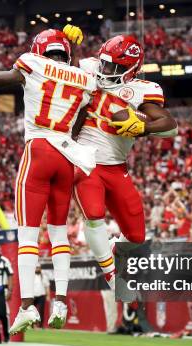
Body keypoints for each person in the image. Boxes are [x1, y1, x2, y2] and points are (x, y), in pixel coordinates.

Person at [0, 25, 96, 333]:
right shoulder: (85, 77)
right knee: (59, 234)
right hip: (66, 154)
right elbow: (79, 116)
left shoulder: (32, 63)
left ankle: (27, 307)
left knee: (27, 236)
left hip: (38, 150)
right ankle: (61, 300)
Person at [63, 28, 178, 290]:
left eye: (113, 66)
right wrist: (65, 42)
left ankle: (112, 248)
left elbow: (170, 125)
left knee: (137, 236)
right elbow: (56, 69)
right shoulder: (88, 67)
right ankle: (112, 276)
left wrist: (142, 126)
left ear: (131, 70)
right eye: (104, 62)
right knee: (93, 215)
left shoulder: (139, 90)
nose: (105, 68)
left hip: (116, 167)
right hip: (85, 160)